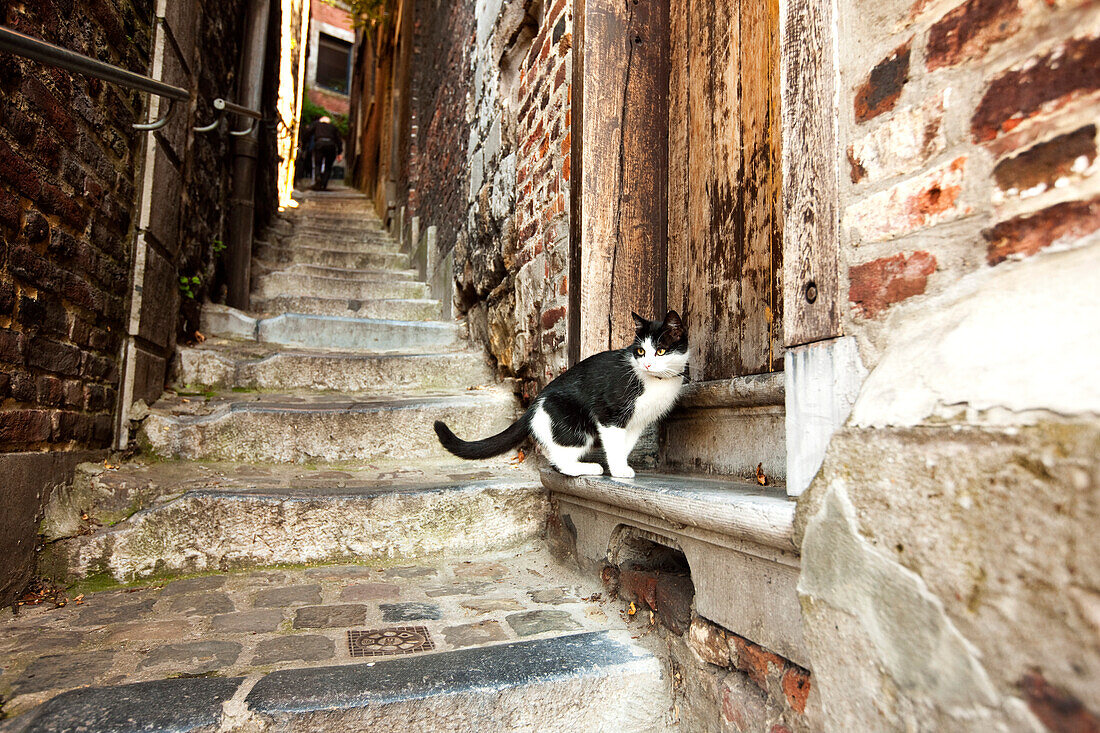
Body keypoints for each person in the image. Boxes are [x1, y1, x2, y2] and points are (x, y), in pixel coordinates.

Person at [303, 115, 342, 190]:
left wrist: (304, 144)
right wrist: (339, 152)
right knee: (328, 166)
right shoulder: (333, 127)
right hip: (331, 145)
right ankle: (324, 184)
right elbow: (338, 140)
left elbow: (308, 132)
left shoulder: (317, 125)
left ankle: (318, 177)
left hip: (319, 144)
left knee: (318, 163)